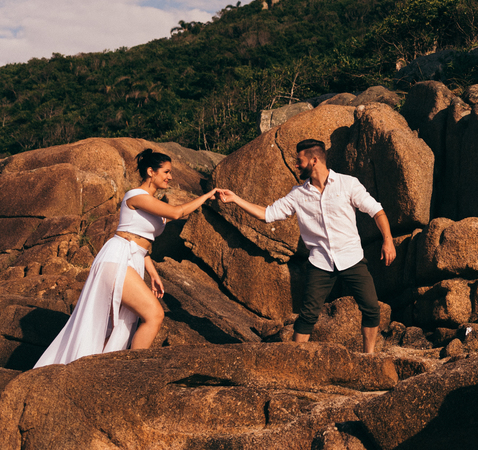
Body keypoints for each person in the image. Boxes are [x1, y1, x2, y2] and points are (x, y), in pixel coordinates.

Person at [35, 149, 219, 367]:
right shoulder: (136, 196)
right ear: (151, 172)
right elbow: (177, 213)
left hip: (133, 258)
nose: (170, 177)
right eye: (166, 172)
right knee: (154, 315)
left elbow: (142, 243)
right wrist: (207, 196)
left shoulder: (151, 202)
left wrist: (153, 274)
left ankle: (92, 369)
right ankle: (132, 370)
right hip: (117, 257)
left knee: (117, 324)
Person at [215, 138, 396, 353]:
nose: (296, 165)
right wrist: (236, 199)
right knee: (308, 315)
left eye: (299, 160)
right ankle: (295, 359)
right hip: (320, 263)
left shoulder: (348, 184)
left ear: (314, 160)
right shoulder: (298, 195)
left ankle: (369, 356)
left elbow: (377, 211)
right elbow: (267, 214)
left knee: (371, 308)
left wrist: (388, 240)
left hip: (352, 257)